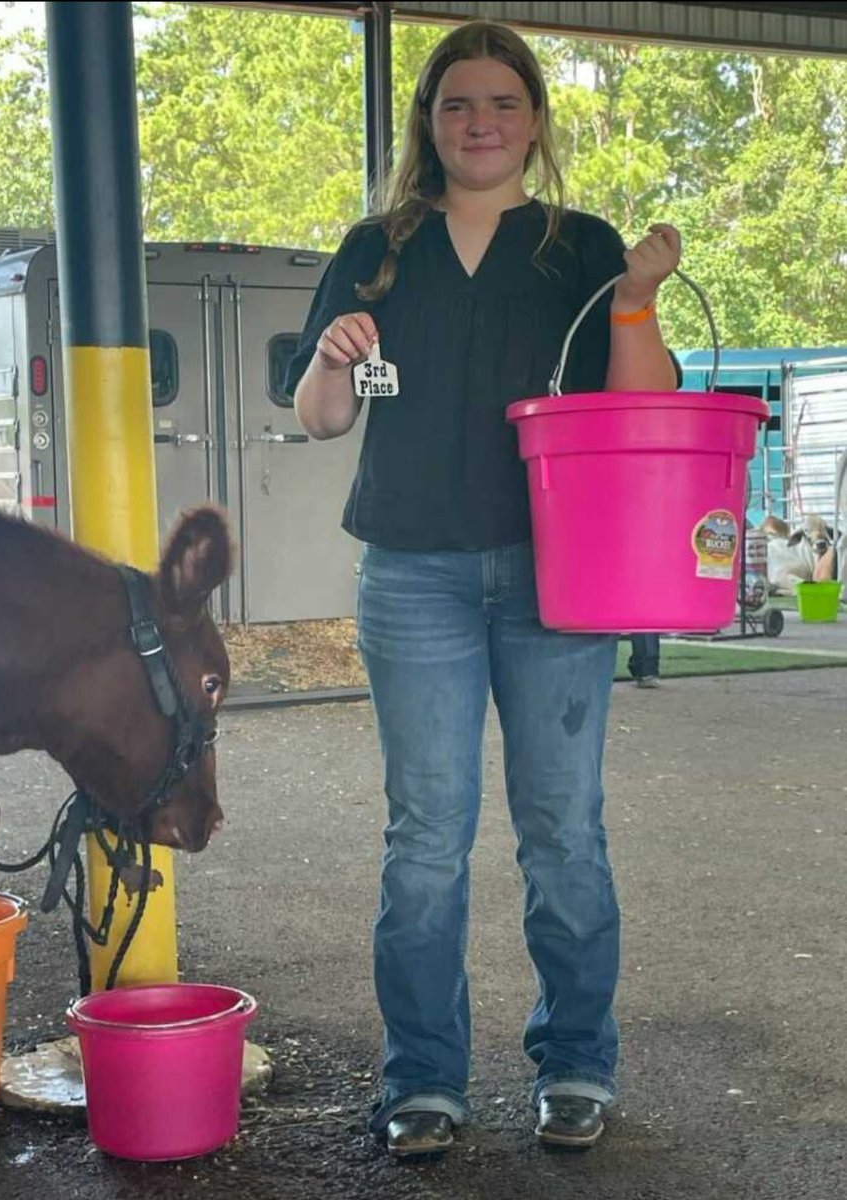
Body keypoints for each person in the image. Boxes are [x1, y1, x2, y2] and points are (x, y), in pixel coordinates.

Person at [287, 19, 681, 1156]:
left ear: (533, 121)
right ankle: (423, 1077)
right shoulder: (376, 249)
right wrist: (327, 361)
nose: (480, 124)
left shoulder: (580, 244)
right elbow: (319, 421)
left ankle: (575, 1062)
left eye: (502, 104)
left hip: (561, 576)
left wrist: (640, 295)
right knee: (425, 838)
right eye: (458, 104)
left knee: (563, 830)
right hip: (411, 576)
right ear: (430, 121)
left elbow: (635, 404)